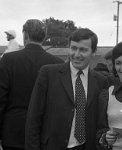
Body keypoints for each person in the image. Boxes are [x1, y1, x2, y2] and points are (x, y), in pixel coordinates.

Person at [25, 28, 108, 150]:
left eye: (83, 50)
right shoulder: (48, 74)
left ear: (94, 51)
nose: (77, 54)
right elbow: (33, 119)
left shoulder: (101, 81)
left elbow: (101, 122)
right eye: (73, 48)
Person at [0, 19, 64, 150]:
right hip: (44, 132)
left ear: (25, 35)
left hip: (13, 133)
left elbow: (1, 99)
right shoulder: (58, 63)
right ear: (44, 37)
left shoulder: (8, 59)